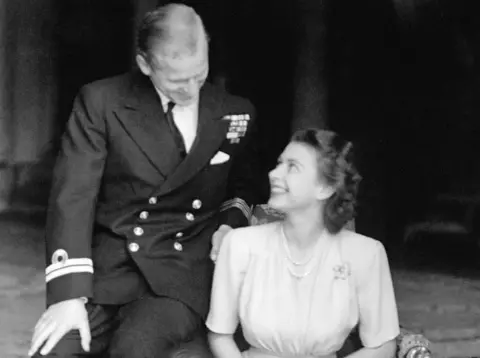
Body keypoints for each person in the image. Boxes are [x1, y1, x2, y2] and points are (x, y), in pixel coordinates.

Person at [29, 3, 260, 357]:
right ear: (144, 65)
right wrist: (69, 295)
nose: (191, 90)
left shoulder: (234, 112)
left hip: (181, 273)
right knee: (54, 350)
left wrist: (229, 226)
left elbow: (243, 188)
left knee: (134, 350)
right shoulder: (102, 101)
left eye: (199, 75)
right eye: (176, 80)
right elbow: (73, 197)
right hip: (110, 267)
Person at [207, 128, 400, 358]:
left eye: (292, 167)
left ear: (326, 188)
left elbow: (382, 345)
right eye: (279, 164)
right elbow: (219, 335)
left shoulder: (366, 254)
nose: (273, 174)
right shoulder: (239, 244)